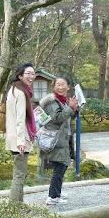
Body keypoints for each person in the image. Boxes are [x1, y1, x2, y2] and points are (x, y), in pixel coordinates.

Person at [38, 75, 78, 205]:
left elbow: (66, 118)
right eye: (57, 85)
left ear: (68, 87)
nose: (60, 87)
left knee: (62, 166)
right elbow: (57, 117)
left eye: (63, 84)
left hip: (63, 139)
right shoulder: (51, 101)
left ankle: (57, 192)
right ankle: (52, 197)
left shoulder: (63, 101)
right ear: (54, 86)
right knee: (60, 166)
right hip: (56, 140)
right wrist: (70, 108)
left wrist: (74, 109)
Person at [6, 62, 37, 202]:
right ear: (20, 76)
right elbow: (19, 119)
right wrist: (21, 142)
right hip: (19, 140)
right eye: (28, 73)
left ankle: (19, 206)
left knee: (20, 174)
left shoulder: (13, 90)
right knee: (19, 175)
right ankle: (13, 208)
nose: (31, 76)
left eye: (33, 73)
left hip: (13, 138)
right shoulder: (21, 93)